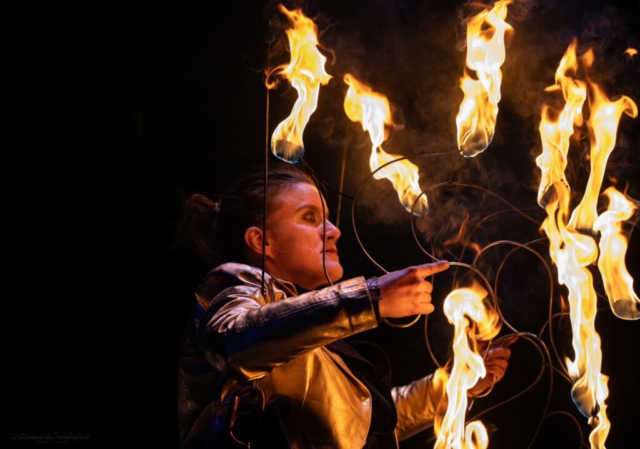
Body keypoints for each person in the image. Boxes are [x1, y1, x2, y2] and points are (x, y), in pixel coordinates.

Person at [177, 160, 513, 448]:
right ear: (261, 240)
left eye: (327, 218)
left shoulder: (305, 336)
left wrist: (455, 383)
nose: (334, 231)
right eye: (310, 217)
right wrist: (370, 296)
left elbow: (359, 424)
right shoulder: (236, 282)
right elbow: (231, 339)